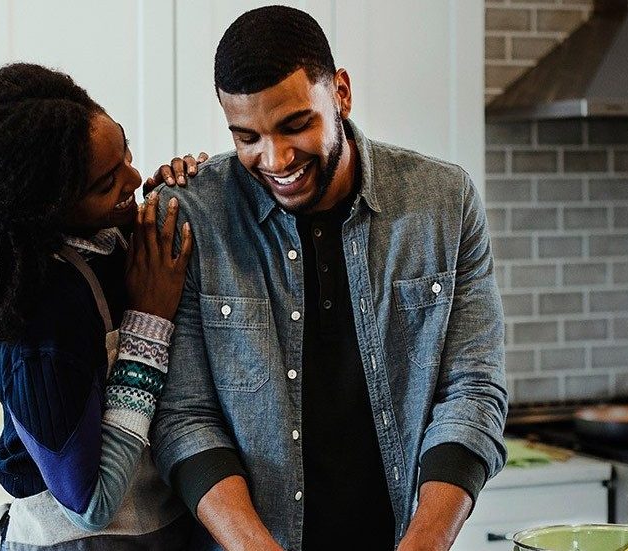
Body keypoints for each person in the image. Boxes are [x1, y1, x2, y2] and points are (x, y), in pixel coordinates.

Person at [152, 6, 508, 551]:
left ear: (340, 92)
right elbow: (185, 417)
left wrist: (423, 543)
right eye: (247, 136)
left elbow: (473, 392)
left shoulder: (443, 203)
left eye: (296, 124)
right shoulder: (194, 213)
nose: (275, 159)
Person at [0, 62, 207, 550]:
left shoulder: (99, 244)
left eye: (126, 152)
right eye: (104, 184)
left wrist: (180, 196)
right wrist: (149, 323)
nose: (134, 177)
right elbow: (91, 505)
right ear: (46, 208)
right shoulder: (39, 322)